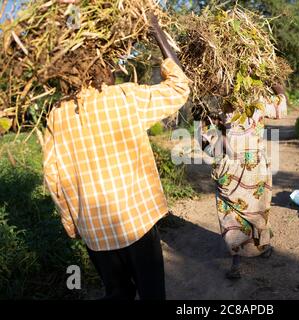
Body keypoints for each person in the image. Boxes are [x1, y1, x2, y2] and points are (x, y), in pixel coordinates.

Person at [44, 2, 190, 300]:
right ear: (100, 65)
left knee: (117, 294)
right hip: (136, 224)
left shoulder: (56, 115)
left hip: (95, 234)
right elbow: (179, 87)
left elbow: (53, 176)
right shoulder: (124, 97)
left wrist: (73, 226)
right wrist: (156, 29)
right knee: (152, 294)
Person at [202, 85, 286, 279]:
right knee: (258, 207)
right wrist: (277, 86)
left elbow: (204, 143)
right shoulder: (258, 99)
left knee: (230, 212)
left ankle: (237, 259)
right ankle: (262, 247)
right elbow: (281, 108)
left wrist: (221, 150)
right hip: (254, 164)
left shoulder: (212, 101)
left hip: (227, 166)